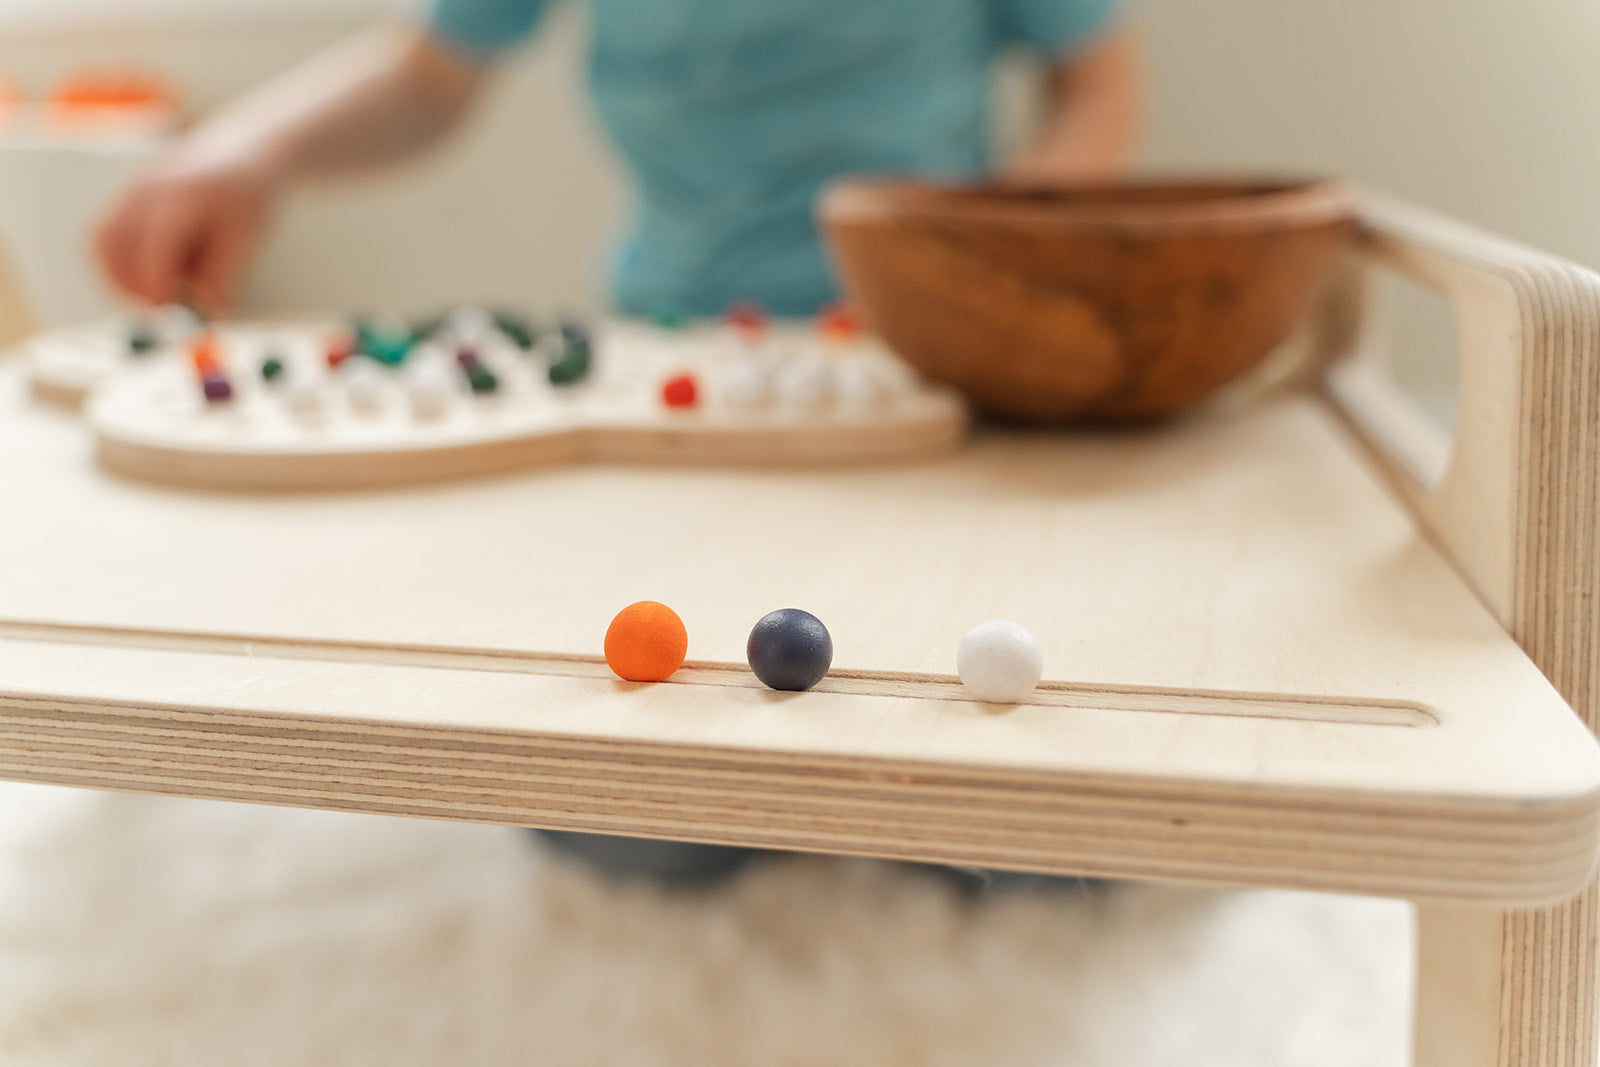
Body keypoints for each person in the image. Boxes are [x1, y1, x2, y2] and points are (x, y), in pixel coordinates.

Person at [95, 0, 1142, 885]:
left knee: (1038, 841)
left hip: (925, 337)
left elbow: (1098, 82)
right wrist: (245, 148)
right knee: (614, 825)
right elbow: (427, 82)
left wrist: (1003, 238)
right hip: (667, 354)